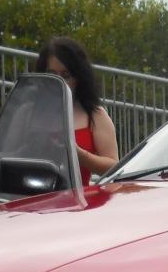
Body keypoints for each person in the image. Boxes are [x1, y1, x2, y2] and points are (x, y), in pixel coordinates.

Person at [33, 36, 119, 185]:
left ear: (78, 78)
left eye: (65, 75)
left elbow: (114, 167)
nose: (58, 81)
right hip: (29, 202)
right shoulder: (27, 112)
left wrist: (78, 154)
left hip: (74, 204)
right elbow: (5, 155)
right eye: (52, 74)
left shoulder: (94, 114)